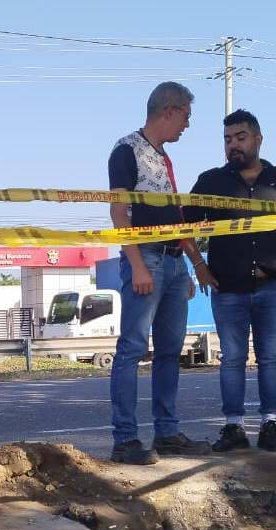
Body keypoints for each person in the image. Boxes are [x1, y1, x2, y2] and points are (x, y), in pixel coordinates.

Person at [185, 109, 276, 453]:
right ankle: (233, 427)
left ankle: (270, 426)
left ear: (258, 139)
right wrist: (198, 264)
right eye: (228, 140)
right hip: (226, 287)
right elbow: (181, 227)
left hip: (272, 286)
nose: (234, 145)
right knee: (231, 358)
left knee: (270, 356)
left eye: (240, 138)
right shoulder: (210, 182)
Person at [106, 81, 211, 465]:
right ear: (170, 110)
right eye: (186, 116)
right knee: (132, 348)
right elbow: (119, 212)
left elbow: (175, 218)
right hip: (146, 258)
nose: (186, 125)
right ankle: (126, 440)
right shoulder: (126, 149)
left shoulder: (162, 157)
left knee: (170, 351)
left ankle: (167, 433)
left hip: (172, 260)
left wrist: (190, 264)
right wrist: (136, 264)